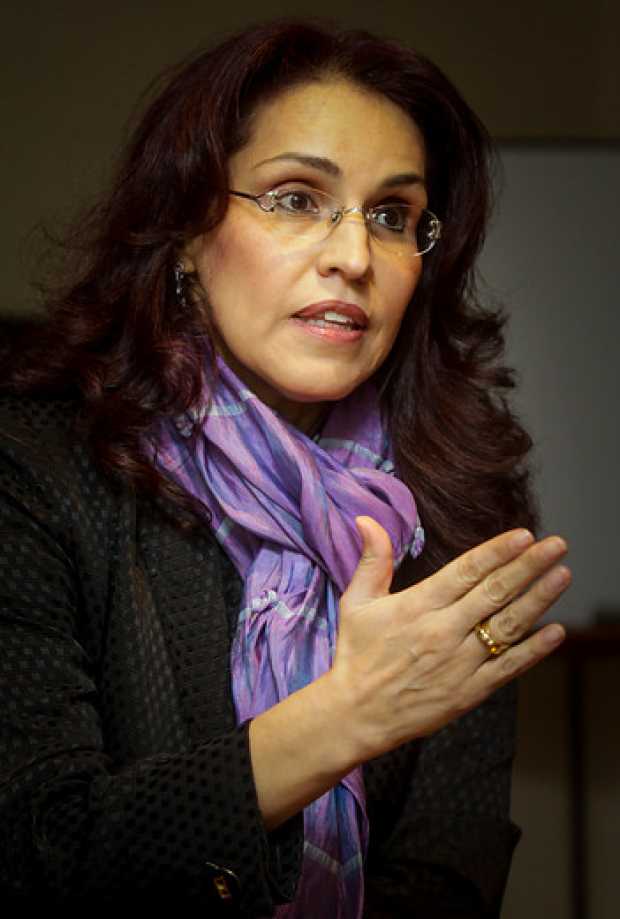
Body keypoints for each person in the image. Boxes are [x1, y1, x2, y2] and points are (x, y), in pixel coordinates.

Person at [0, 18, 571, 918]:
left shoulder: (463, 500)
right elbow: (39, 849)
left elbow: (451, 875)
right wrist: (343, 718)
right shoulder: (37, 468)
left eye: (392, 215)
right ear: (185, 231)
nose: (354, 256)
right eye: (298, 198)